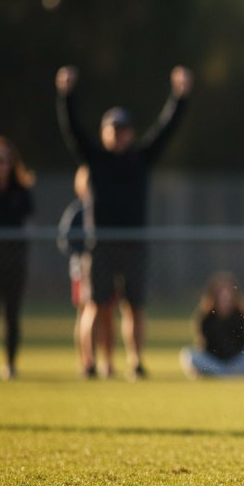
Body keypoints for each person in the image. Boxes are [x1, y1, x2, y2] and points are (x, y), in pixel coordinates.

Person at [56, 65, 193, 380]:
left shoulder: (141, 159)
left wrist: (180, 96)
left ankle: (135, 361)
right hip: (100, 243)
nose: (117, 134)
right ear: (105, 132)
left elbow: (165, 128)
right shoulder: (96, 159)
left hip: (134, 243)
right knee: (96, 306)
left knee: (135, 307)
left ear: (130, 132)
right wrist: (66, 96)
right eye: (112, 129)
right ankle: (93, 363)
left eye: (122, 129)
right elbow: (73, 130)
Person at [0, 137, 35, 382]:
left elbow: (28, 220)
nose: (2, 166)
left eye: (6, 161)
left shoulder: (21, 192)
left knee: (12, 313)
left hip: (14, 258)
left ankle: (10, 364)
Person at [179, 273, 244, 378]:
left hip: (235, 362)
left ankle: (223, 374)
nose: (225, 297)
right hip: (214, 362)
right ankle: (227, 375)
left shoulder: (240, 315)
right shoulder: (205, 316)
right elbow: (203, 345)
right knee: (188, 355)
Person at [56, 165, 98, 377]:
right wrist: (82, 254)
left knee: (100, 312)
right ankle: (86, 360)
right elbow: (65, 240)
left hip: (99, 269)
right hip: (81, 270)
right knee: (83, 313)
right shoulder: (78, 211)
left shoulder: (102, 209)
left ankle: (101, 360)